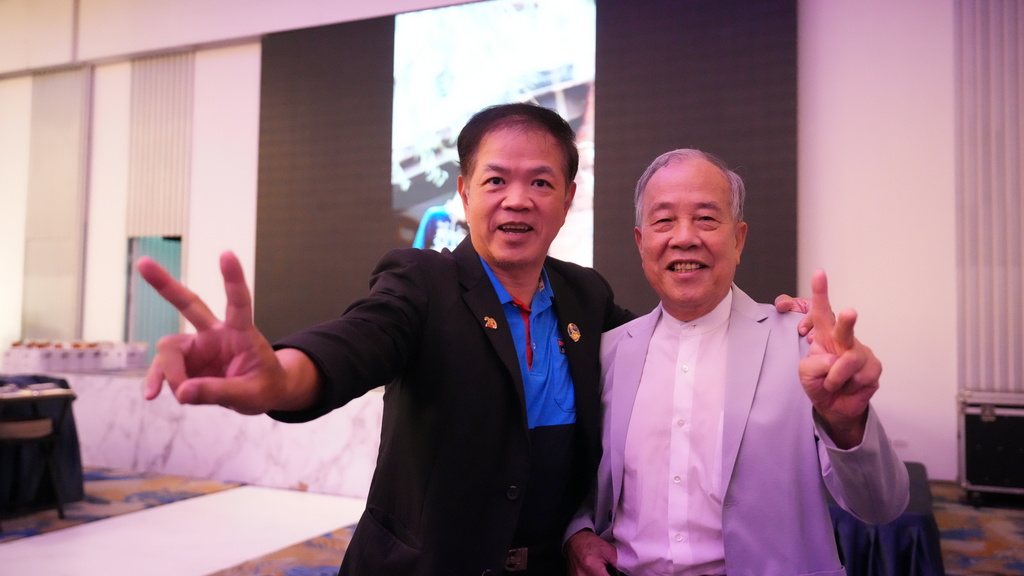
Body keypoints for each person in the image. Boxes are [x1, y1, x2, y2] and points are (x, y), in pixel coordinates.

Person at [564, 149, 910, 576]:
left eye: (707, 219)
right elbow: (581, 482)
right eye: (664, 220)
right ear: (641, 242)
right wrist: (577, 532)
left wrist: (847, 424)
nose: (684, 237)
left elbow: (880, 507)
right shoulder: (609, 354)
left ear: (738, 239)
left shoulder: (802, 347)